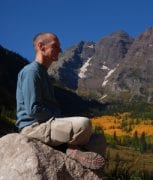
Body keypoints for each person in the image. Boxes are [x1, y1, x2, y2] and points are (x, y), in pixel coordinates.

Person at [16, 32, 105, 170]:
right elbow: (33, 110)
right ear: (41, 46)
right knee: (84, 124)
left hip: (47, 124)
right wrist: (58, 118)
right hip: (34, 127)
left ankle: (73, 152)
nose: (60, 50)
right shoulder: (31, 71)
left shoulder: (43, 73)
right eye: (55, 46)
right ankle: (70, 151)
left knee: (99, 140)